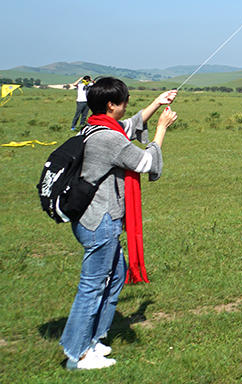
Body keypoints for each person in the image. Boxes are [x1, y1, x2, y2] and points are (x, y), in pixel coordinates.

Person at [60, 77, 177, 371]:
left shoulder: (99, 126)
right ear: (112, 105)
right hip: (99, 221)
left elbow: (130, 126)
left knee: (113, 278)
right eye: (123, 101)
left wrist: (157, 103)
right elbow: (144, 162)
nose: (127, 105)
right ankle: (77, 354)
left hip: (101, 219)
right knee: (93, 286)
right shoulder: (107, 138)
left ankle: (94, 341)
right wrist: (161, 129)